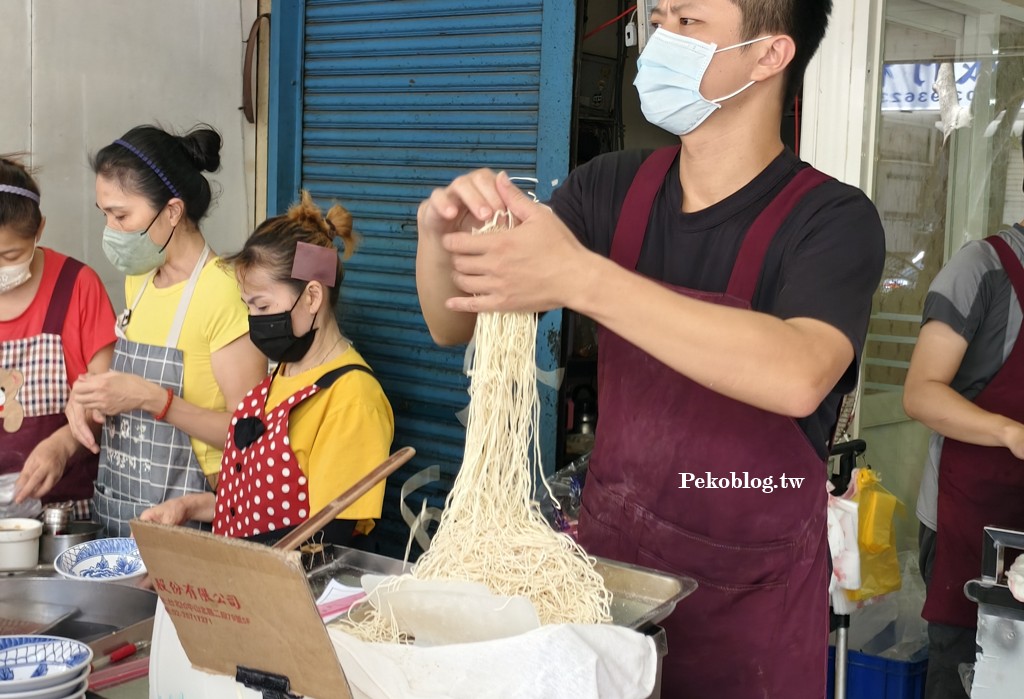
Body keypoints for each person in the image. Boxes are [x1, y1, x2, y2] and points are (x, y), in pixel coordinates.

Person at [415, 0, 884, 696]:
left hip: (750, 608)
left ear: (769, 55)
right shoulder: (608, 189)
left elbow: (798, 372)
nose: (660, 40)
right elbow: (455, 324)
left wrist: (584, 275)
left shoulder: (832, 220)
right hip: (610, 585)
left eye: (688, 24)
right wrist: (441, 235)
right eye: (656, 20)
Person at [139, 191, 394, 547]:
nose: (253, 322)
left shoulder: (352, 398)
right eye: (248, 307)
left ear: (312, 297)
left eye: (261, 306)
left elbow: (328, 537)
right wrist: (190, 507)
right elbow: (262, 508)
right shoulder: (282, 374)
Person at [65, 125, 267, 537]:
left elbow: (249, 436)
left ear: (172, 212)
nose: (110, 229)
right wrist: (88, 398)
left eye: (121, 215)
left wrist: (155, 400)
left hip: (193, 513)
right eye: (104, 214)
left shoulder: (224, 291)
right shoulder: (138, 280)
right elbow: (121, 388)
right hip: (124, 504)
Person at [903, 155, 1024, 699]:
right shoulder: (984, 267)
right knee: (965, 672)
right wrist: (1009, 432)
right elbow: (920, 393)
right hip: (968, 525)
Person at [0, 156, 116, 518]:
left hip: (66, 516)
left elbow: (107, 396)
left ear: (39, 230)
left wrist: (63, 445)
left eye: (9, 255)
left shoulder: (77, 286)